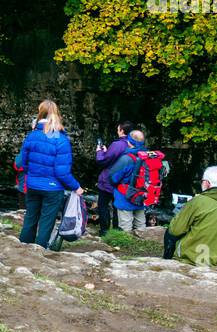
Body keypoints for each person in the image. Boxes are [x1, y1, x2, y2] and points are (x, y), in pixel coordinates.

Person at [16, 99, 83, 248]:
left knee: (30, 217)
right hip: (52, 188)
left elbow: (23, 163)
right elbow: (62, 172)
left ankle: (23, 248)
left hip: (32, 184)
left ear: (40, 114)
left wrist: (32, 176)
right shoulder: (61, 140)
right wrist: (76, 187)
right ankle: (40, 251)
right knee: (46, 221)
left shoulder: (31, 136)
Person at [164, 165, 217, 269]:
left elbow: (175, 230)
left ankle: (166, 262)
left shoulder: (198, 202)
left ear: (207, 183)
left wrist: (183, 210)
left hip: (198, 258)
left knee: (170, 234)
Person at [108, 128, 166, 235]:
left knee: (126, 226)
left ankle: (127, 247)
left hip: (125, 196)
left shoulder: (126, 159)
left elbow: (113, 178)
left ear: (129, 142)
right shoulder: (149, 157)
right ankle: (143, 242)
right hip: (142, 194)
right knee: (140, 223)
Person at [95, 121, 135, 235]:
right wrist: (108, 152)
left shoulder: (118, 144)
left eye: (118, 129)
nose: (117, 131)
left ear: (122, 131)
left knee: (103, 206)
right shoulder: (133, 145)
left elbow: (102, 161)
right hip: (125, 182)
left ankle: (104, 231)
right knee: (118, 206)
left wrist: (100, 152)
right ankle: (117, 231)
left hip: (109, 180)